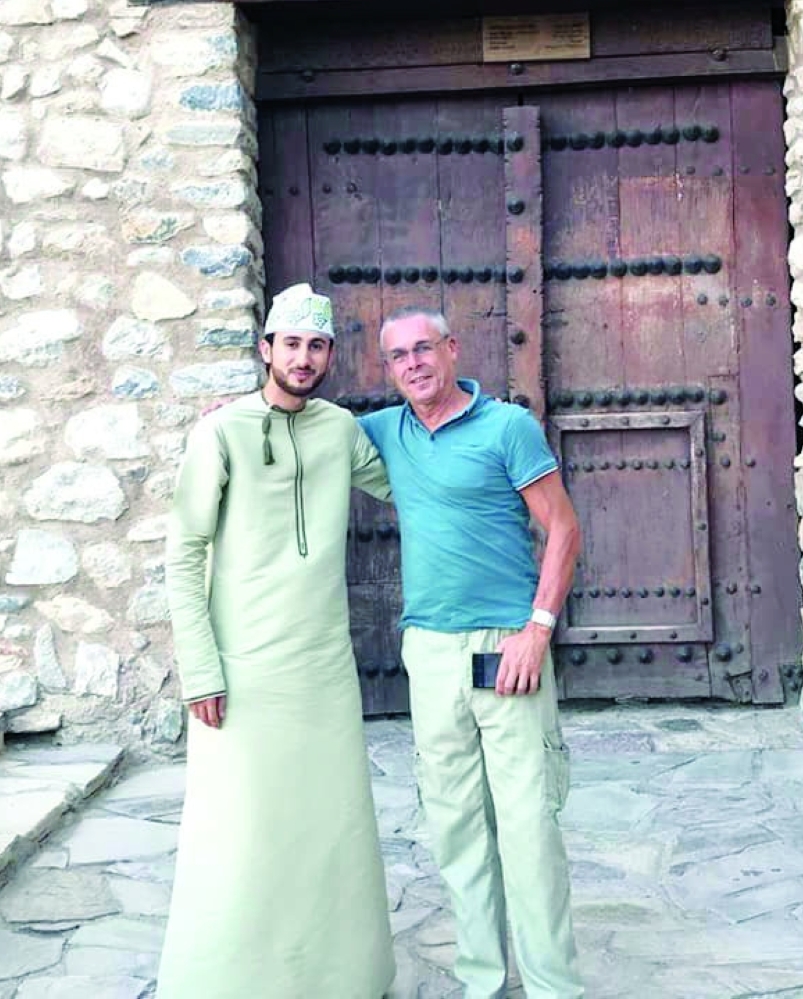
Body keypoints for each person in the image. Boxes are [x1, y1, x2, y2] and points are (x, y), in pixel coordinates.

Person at [157, 283, 396, 999]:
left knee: (329, 826)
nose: (303, 357)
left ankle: (339, 979)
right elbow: (183, 553)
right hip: (241, 671)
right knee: (240, 832)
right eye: (290, 343)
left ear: (329, 355)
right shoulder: (220, 433)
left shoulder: (340, 430)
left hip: (322, 668)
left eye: (316, 345)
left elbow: (411, 482)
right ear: (266, 349)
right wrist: (200, 668)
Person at [360, 306, 584, 999]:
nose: (414, 364)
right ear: (388, 368)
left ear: (452, 349)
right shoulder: (382, 433)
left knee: (528, 829)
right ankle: (482, 981)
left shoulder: (507, 427)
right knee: (456, 828)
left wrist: (538, 629)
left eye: (423, 348)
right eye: (399, 356)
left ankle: (552, 988)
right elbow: (297, 429)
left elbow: (563, 528)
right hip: (429, 651)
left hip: (506, 645)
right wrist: (232, 414)